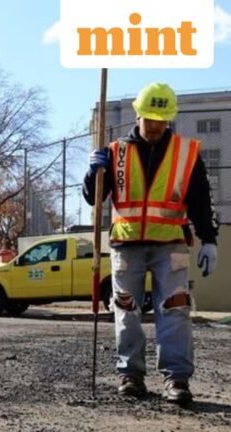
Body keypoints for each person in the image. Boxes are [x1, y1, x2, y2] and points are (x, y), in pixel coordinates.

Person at [83, 82, 218, 405]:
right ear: (138, 115)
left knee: (174, 310)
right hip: (126, 245)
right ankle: (131, 375)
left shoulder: (186, 153)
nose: (156, 126)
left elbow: (200, 199)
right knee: (126, 310)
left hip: (170, 244)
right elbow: (94, 198)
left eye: (162, 120)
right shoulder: (116, 152)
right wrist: (93, 172)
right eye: (151, 119)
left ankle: (177, 380)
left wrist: (209, 240)